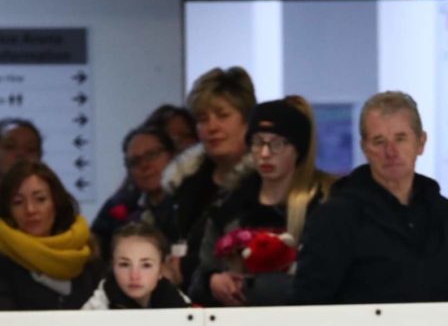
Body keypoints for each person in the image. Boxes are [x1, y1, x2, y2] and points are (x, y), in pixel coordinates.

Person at [292, 91, 448, 305]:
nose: (391, 151)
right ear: (364, 149)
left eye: (400, 138)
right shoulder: (334, 219)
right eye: (379, 141)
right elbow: (308, 306)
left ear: (421, 142)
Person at [190, 96, 333, 307]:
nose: (265, 153)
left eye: (277, 144)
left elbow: (328, 278)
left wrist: (263, 287)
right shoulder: (229, 206)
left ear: (297, 150)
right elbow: (197, 278)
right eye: (257, 142)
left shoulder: (322, 205)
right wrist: (213, 282)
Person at [161, 66, 256, 283]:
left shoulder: (262, 185)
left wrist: (187, 268)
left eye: (223, 115)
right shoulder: (183, 185)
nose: (212, 127)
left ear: (247, 120)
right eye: (203, 119)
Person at [0, 160, 101, 310]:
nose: (30, 209)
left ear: (56, 203)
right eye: (18, 202)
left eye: (40, 199)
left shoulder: (84, 254)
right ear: (8, 211)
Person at [90, 126, 176, 260]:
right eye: (135, 162)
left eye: (152, 155)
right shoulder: (119, 205)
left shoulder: (191, 201)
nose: (145, 165)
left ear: (171, 156)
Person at [82, 222, 191, 309]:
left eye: (146, 265)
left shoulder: (180, 306)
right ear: (113, 266)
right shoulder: (94, 311)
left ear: (160, 270)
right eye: (124, 264)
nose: (134, 276)